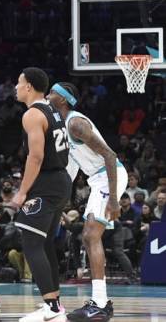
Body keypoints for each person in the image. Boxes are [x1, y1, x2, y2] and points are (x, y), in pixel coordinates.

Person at [47, 82, 126, 321]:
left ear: (62, 99)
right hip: (98, 179)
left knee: (91, 236)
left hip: (108, 176)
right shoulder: (61, 127)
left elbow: (110, 156)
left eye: (51, 92)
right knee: (89, 236)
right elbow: (70, 171)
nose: (48, 95)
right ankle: (100, 302)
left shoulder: (76, 123)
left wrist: (113, 199)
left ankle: (100, 304)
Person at [12, 68, 71, 322]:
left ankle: (52, 306)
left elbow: (36, 156)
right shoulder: (53, 110)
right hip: (61, 181)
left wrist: (22, 192)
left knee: (31, 244)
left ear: (28, 87)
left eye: (18, 82)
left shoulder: (32, 114)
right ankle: (54, 303)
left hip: (46, 184)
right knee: (45, 244)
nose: (15, 87)